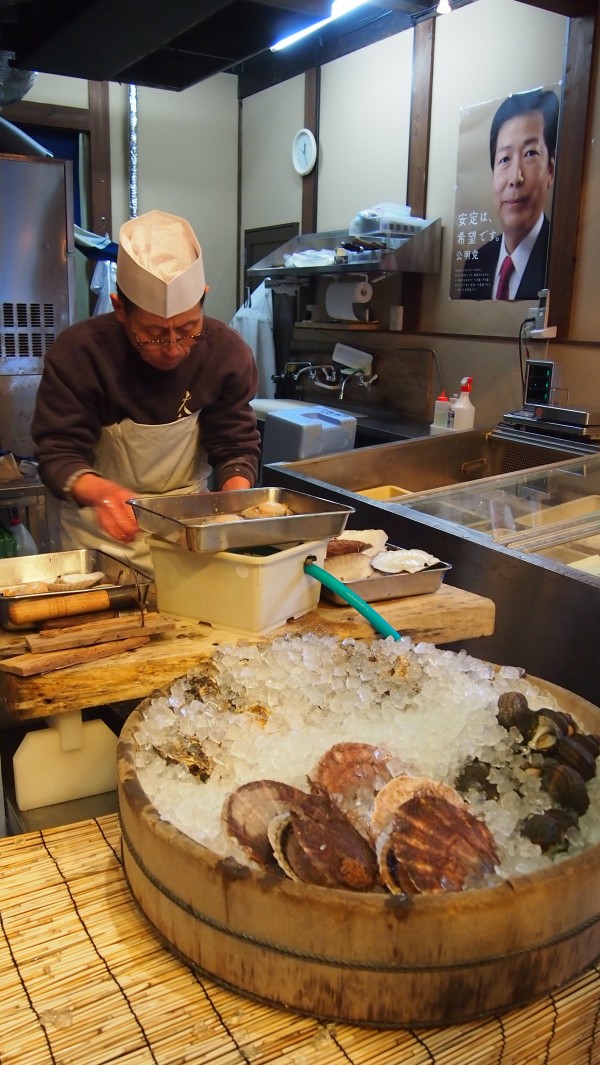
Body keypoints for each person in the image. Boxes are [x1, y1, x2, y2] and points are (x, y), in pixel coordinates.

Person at [32, 209, 261, 574]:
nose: (172, 348)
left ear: (203, 297)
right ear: (120, 308)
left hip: (191, 533)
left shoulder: (227, 353)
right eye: (153, 333)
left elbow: (235, 442)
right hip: (103, 536)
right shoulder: (80, 353)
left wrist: (232, 498)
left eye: (188, 329)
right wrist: (104, 494)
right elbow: (58, 452)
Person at [460, 88, 559, 301]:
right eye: (504, 159)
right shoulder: (476, 263)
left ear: (550, 171)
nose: (516, 177)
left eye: (530, 153)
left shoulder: (560, 260)